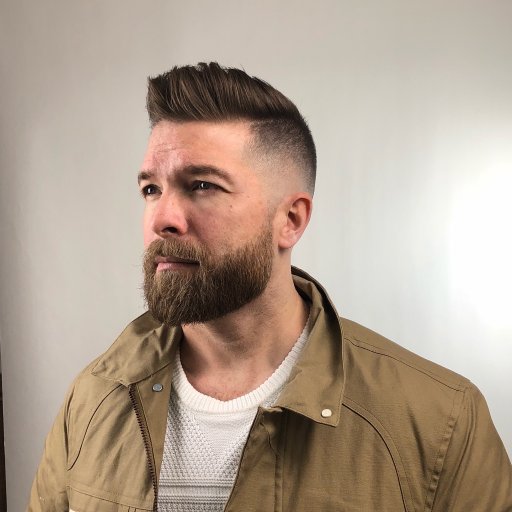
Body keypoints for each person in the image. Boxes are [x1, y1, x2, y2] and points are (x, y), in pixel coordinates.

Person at [29, 62, 511, 512]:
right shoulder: (92, 399)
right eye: (151, 189)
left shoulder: (441, 423)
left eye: (202, 185)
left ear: (291, 220)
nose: (162, 219)